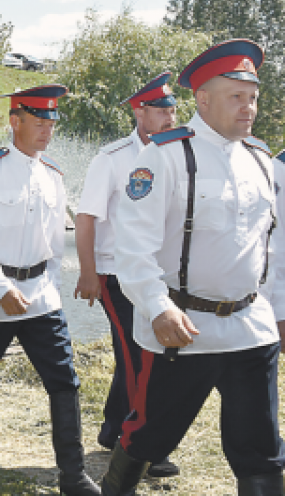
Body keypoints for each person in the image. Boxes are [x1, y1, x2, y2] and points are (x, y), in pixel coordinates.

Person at [101, 40, 285, 496]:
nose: (249, 107)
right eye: (235, 96)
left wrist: (277, 311)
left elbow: (271, 248)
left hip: (250, 327)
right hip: (183, 331)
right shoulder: (164, 157)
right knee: (148, 438)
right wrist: (157, 308)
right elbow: (132, 249)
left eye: (253, 97)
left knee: (260, 449)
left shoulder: (262, 161)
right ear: (203, 100)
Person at [0, 85, 100, 496]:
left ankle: (73, 475)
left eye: (51, 124)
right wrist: (0, 288)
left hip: (41, 296)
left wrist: (54, 291)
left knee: (64, 380)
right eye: (39, 123)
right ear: (16, 121)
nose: (47, 131)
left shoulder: (54, 176)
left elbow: (54, 246)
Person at [72, 72, 180, 480]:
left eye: (172, 109)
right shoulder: (112, 158)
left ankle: (113, 428)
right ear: (140, 112)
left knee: (132, 354)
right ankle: (144, 445)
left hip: (156, 274)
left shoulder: (176, 152)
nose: (170, 117)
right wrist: (87, 273)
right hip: (116, 274)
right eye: (161, 110)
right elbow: (86, 218)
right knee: (139, 357)